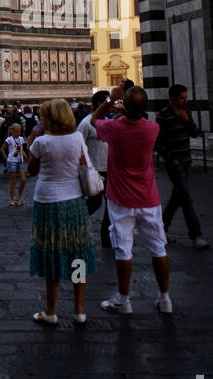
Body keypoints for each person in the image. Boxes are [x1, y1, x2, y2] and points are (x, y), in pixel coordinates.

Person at [90, 86, 171, 314]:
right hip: (149, 198)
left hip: (120, 198)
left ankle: (123, 299)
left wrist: (110, 100)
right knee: (158, 247)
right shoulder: (152, 129)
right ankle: (165, 299)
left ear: (124, 105)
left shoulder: (114, 128)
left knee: (123, 250)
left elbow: (94, 120)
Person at [26, 97, 97, 325]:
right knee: (77, 253)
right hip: (74, 201)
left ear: (50, 118)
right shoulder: (77, 138)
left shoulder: (41, 142)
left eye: (43, 116)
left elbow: (32, 170)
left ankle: (51, 310)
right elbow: (84, 164)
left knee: (51, 254)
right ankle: (79, 309)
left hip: (48, 202)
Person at [157, 83, 208, 249]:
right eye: (182, 98)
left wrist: (186, 119)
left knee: (177, 197)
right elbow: (159, 142)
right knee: (186, 198)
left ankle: (162, 227)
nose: (185, 101)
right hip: (175, 163)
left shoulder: (186, 113)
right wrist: (171, 158)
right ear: (172, 98)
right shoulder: (163, 116)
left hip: (186, 160)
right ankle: (196, 235)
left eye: (186, 98)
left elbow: (194, 133)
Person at [78, 90, 112, 247]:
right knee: (95, 203)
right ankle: (75, 224)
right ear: (100, 104)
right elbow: (78, 144)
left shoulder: (109, 122)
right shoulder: (86, 123)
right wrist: (84, 167)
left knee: (111, 205)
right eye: (109, 101)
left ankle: (107, 238)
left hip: (110, 170)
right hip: (95, 171)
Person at [1, 123, 28, 205]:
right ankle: (12, 199)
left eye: (19, 132)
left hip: (20, 161)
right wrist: (6, 159)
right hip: (12, 161)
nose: (18, 134)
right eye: (17, 132)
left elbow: (21, 149)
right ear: (12, 132)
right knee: (13, 181)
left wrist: (26, 156)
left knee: (23, 180)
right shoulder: (9, 139)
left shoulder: (21, 138)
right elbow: (2, 149)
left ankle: (19, 197)